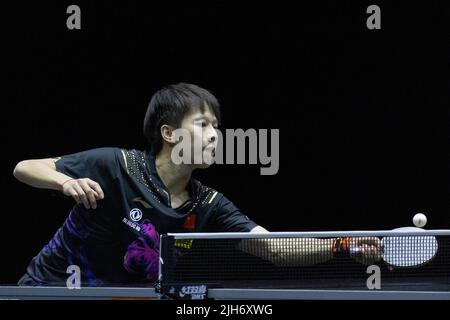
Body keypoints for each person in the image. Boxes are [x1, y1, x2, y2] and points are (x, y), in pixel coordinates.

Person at [13, 83, 382, 287]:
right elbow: (25, 167)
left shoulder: (208, 204)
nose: (215, 136)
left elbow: (275, 247)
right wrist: (64, 182)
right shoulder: (115, 165)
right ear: (168, 132)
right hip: (46, 291)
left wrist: (343, 245)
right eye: (203, 124)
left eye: (217, 128)